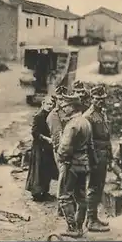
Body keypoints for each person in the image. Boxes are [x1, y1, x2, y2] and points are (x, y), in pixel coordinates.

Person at [56, 93, 96, 238]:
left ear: (72, 107)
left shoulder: (72, 125)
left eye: (65, 106)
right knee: (81, 196)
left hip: (71, 165)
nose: (63, 108)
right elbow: (91, 146)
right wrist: (92, 163)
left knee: (64, 196)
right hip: (84, 165)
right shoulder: (85, 122)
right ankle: (79, 226)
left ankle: (72, 228)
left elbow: (65, 148)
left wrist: (61, 159)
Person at [83, 86, 111, 232]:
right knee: (93, 187)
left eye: (102, 98)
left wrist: (110, 155)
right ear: (91, 99)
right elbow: (88, 142)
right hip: (95, 156)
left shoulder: (102, 113)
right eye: (97, 99)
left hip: (103, 154)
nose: (100, 101)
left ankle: (92, 217)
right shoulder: (89, 116)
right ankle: (91, 220)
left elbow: (107, 136)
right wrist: (92, 160)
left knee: (99, 187)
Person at [26, 97, 59, 202]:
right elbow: (35, 132)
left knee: (47, 170)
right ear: (43, 103)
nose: (50, 106)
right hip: (39, 147)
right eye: (48, 104)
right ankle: (36, 193)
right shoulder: (39, 116)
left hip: (47, 147)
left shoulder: (50, 116)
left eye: (52, 104)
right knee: (38, 171)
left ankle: (45, 192)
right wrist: (45, 138)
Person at [46, 85, 68, 217]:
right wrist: (62, 151)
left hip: (66, 148)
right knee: (63, 178)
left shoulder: (64, 112)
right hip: (60, 150)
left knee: (67, 178)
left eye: (63, 99)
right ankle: (61, 207)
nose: (62, 101)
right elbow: (56, 137)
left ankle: (64, 206)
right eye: (59, 99)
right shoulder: (54, 116)